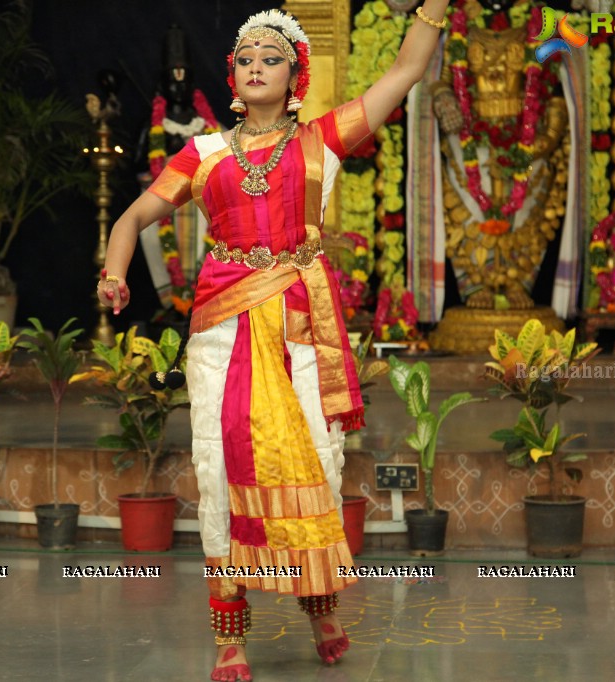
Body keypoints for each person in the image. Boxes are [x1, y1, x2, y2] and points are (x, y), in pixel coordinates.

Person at [97, 4, 451, 680]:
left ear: (296, 76)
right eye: (246, 59)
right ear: (232, 77)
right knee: (221, 468)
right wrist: (114, 272)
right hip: (224, 329)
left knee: (314, 464)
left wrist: (431, 7)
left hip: (301, 325)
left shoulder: (322, 138)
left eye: (271, 58)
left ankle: (320, 608)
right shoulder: (200, 153)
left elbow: (406, 69)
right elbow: (136, 214)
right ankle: (230, 635)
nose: (255, 66)